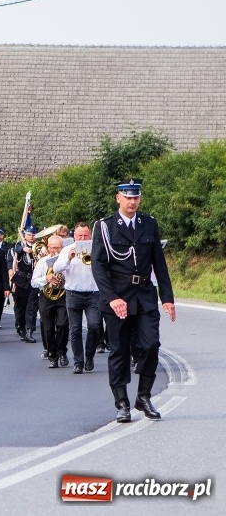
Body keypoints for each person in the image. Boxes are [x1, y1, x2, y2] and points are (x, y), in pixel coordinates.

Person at [91, 178, 175, 423]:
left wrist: (167, 297)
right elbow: (98, 266)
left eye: (136, 197)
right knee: (118, 350)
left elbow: (159, 262)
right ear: (118, 198)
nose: (132, 202)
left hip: (145, 294)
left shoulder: (149, 224)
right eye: (127, 197)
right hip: (118, 295)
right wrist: (112, 298)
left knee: (151, 345)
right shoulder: (105, 227)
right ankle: (121, 403)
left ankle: (143, 397)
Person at [53, 222, 101, 374]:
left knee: (94, 326)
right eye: (79, 235)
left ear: (90, 236)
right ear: (74, 236)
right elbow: (56, 268)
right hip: (73, 294)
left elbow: (107, 267)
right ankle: (78, 362)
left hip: (93, 293)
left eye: (85, 235)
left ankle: (89, 356)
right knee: (75, 330)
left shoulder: (97, 247)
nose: (82, 238)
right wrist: (68, 258)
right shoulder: (67, 249)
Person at [31, 235, 70, 367]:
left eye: (58, 248)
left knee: (63, 325)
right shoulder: (42, 262)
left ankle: (62, 352)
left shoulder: (67, 260)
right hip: (46, 296)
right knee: (48, 328)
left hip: (63, 295)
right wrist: (46, 279)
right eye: (53, 248)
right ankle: (53, 356)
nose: (56, 251)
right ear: (48, 248)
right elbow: (33, 282)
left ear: (63, 247)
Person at [11, 226, 40, 343]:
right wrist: (24, 249)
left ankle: (30, 331)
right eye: (29, 234)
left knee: (32, 307)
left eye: (33, 234)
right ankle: (21, 326)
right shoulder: (20, 244)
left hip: (34, 280)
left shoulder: (39, 246)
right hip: (21, 280)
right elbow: (17, 250)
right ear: (25, 235)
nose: (32, 236)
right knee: (21, 306)